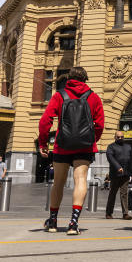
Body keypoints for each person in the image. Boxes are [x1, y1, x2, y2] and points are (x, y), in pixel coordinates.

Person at [38, 67, 105, 235]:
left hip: (62, 145)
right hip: (85, 146)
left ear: (69, 78)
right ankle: (73, 224)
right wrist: (92, 139)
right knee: (80, 179)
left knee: (58, 182)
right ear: (85, 79)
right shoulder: (94, 97)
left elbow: (45, 120)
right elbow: (100, 124)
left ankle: (52, 221)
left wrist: (43, 143)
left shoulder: (60, 95)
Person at [105, 130, 132, 220]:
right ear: (115, 137)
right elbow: (110, 158)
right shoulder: (111, 147)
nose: (120, 138)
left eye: (122, 137)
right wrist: (118, 167)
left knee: (124, 193)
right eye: (118, 137)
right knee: (112, 193)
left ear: (124, 137)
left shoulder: (128, 147)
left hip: (126, 174)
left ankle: (125, 213)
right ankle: (109, 213)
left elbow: (131, 161)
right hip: (115, 174)